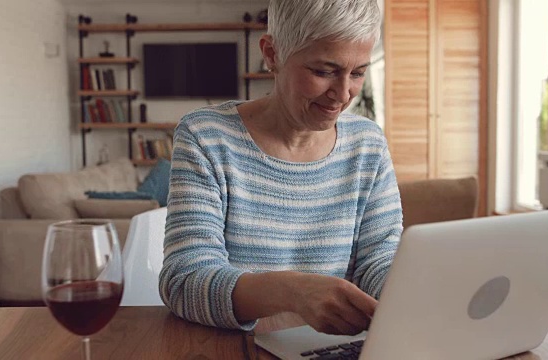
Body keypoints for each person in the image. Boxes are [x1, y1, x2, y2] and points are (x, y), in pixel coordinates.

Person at [159, 0, 402, 336]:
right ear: (272, 53)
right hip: (234, 348)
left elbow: (379, 262)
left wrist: (410, 292)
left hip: (332, 347)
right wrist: (294, 292)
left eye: (358, 72)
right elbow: (184, 281)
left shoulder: (367, 144)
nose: (343, 94)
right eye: (324, 71)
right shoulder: (206, 137)